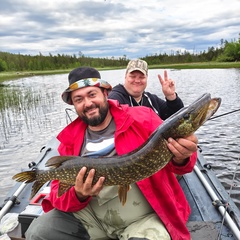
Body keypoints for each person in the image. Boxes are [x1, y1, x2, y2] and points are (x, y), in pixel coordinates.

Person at [26, 67, 198, 240]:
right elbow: (58, 196)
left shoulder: (143, 118)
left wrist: (182, 157)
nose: (87, 103)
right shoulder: (69, 142)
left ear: (105, 94)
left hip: (143, 218)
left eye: (92, 94)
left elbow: (185, 167)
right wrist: (79, 194)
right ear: (74, 105)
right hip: (93, 218)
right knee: (39, 232)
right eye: (79, 99)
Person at [108, 59, 184, 120]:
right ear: (125, 76)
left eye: (141, 77)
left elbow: (179, 118)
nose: (137, 80)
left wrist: (171, 96)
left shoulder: (152, 100)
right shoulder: (114, 99)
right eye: (133, 76)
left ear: (147, 78)